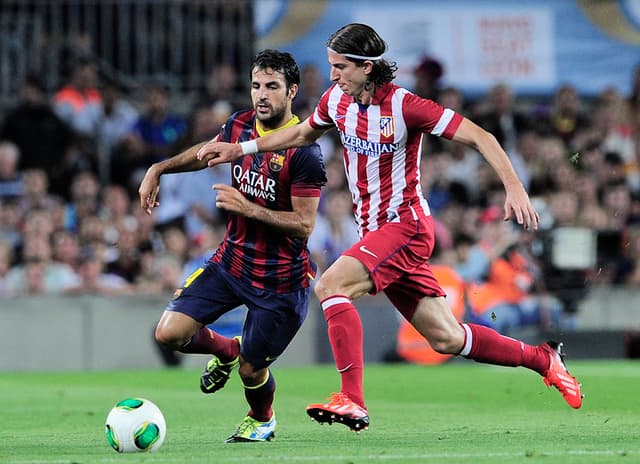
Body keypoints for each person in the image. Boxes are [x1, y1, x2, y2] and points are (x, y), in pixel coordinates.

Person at [195, 23, 583, 432]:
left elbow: (480, 136)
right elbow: (304, 132)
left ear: (366, 67)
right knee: (447, 339)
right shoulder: (336, 101)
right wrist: (242, 147)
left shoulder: (405, 106)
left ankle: (353, 400)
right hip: (376, 235)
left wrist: (514, 188)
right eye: (331, 66)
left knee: (330, 285)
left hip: (406, 227)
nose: (333, 76)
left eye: (341, 67)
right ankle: (544, 359)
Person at [138, 49, 327, 442]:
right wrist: (159, 169)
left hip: (280, 283)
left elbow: (304, 225)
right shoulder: (240, 123)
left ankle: (262, 419)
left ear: (291, 91)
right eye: (257, 85)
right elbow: (205, 154)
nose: (262, 94)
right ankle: (225, 350)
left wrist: (248, 207)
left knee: (251, 371)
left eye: (272, 87)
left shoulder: (305, 152)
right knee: (169, 333)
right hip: (231, 263)